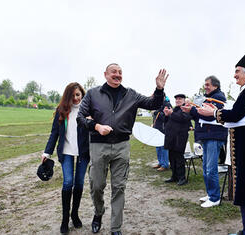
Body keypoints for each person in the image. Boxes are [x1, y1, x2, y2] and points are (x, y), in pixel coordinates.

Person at [77, 63, 168, 235]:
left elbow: (153, 104)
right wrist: (96, 127)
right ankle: (98, 213)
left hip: (122, 146)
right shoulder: (93, 94)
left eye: (120, 72)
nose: (117, 75)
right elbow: (80, 117)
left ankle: (115, 228)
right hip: (98, 145)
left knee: (119, 187)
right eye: (114, 72)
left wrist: (159, 89)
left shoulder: (131, 94)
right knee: (97, 185)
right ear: (105, 74)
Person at [197, 53, 245, 235]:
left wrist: (212, 114)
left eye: (237, 71)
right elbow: (236, 113)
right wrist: (217, 111)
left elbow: (236, 115)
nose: (234, 75)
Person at [41, 82, 89, 234]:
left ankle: (75, 215)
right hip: (66, 152)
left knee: (79, 183)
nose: (75, 98)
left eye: (78, 95)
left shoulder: (88, 110)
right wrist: (47, 152)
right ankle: (64, 219)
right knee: (68, 182)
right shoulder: (62, 110)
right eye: (72, 95)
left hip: (83, 153)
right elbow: (54, 132)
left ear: (82, 94)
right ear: (67, 96)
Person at [181, 75, 228, 207]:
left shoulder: (218, 98)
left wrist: (194, 110)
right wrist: (190, 111)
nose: (205, 86)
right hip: (207, 135)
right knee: (206, 167)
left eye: (208, 84)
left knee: (211, 169)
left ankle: (214, 198)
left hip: (214, 136)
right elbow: (198, 116)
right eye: (205, 84)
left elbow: (208, 116)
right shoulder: (206, 98)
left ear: (215, 86)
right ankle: (210, 193)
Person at [163, 94, 192, 186]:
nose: (178, 100)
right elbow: (167, 121)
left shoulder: (186, 109)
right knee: (171, 157)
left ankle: (182, 178)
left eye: (180, 99)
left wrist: (171, 114)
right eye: (176, 99)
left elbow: (183, 118)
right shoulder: (174, 109)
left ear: (184, 100)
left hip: (180, 137)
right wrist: (167, 115)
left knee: (179, 158)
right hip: (171, 137)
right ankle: (174, 176)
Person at [152, 96, 172, 171]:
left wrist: (158, 113)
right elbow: (155, 117)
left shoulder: (167, 104)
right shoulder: (157, 104)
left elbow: (167, 117)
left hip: (164, 130)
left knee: (163, 148)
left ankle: (165, 164)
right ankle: (160, 162)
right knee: (158, 147)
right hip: (157, 129)